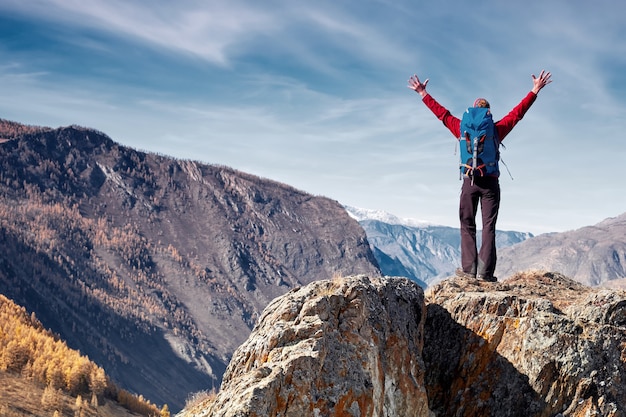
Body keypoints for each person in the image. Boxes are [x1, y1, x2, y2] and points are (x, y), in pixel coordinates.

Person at [407, 70, 552, 282]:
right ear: (488, 113)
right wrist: (535, 90)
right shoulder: (496, 129)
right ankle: (485, 274)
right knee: (489, 228)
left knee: (467, 225)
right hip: (490, 184)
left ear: (473, 112)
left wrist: (423, 94)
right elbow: (517, 114)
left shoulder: (461, 127)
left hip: (469, 182)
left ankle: (468, 271)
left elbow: (443, 115)